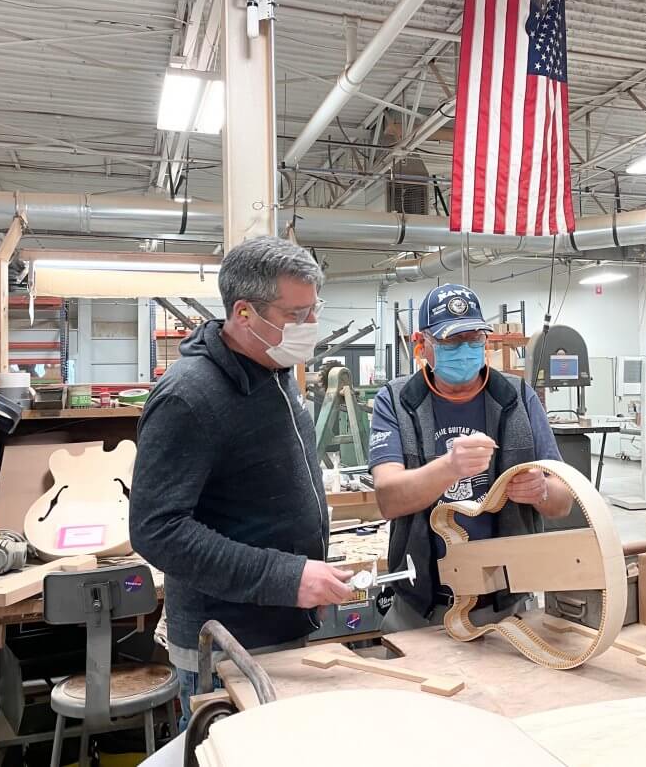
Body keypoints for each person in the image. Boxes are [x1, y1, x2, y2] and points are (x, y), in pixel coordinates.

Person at [130, 236, 353, 728]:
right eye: (296, 315)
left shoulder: (273, 370)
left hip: (281, 627)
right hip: (229, 647)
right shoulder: (189, 397)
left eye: (314, 311)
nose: (310, 327)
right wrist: (286, 576)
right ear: (245, 314)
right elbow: (157, 530)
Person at [369, 283, 572, 632]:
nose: (464, 351)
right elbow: (388, 499)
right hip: (421, 605)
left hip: (506, 603)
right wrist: (449, 468)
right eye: (450, 342)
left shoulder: (519, 399)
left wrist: (541, 492)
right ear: (422, 344)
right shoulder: (396, 402)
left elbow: (563, 502)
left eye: (474, 339)